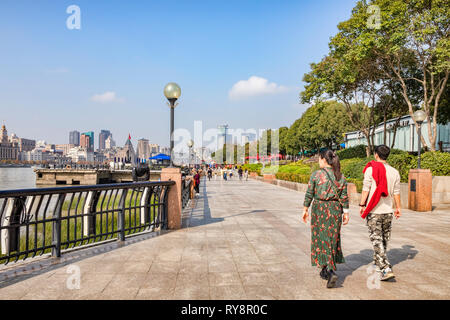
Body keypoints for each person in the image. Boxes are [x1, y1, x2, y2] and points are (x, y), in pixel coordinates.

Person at [302, 149, 349, 288]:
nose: (318, 161)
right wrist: (346, 213)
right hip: (335, 210)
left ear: (323, 159)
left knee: (320, 238)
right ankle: (325, 268)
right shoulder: (340, 175)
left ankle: (329, 270)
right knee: (332, 239)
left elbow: (310, 192)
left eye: (318, 158)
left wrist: (305, 208)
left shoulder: (316, 175)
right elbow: (344, 196)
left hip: (320, 209)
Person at [359, 145, 401, 281]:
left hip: (374, 211)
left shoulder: (371, 169)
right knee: (383, 240)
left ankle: (385, 269)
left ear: (376, 155)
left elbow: (366, 189)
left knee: (377, 241)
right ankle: (378, 263)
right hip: (388, 211)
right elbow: (396, 192)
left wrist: (362, 204)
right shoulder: (395, 172)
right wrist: (398, 207)